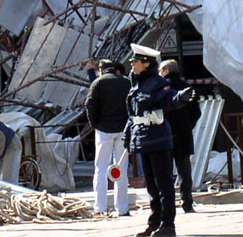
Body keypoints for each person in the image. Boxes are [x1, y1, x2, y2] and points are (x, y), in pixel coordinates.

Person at [124, 44, 195, 237]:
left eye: (135, 61)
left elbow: (169, 99)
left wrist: (181, 97)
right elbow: (134, 113)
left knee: (163, 183)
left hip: (157, 139)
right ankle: (154, 222)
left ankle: (168, 225)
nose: (132, 64)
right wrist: (128, 134)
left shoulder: (156, 82)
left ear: (146, 63)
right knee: (151, 185)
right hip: (143, 139)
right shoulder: (137, 83)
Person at [85, 59, 131, 216]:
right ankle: (123, 208)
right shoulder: (126, 82)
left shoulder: (98, 83)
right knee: (121, 169)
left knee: (101, 169)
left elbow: (90, 104)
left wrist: (95, 124)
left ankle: (100, 208)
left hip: (104, 129)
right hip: (123, 129)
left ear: (100, 70)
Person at [159, 59, 201, 213]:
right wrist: (188, 125)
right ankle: (187, 203)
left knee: (165, 170)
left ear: (166, 71)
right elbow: (197, 112)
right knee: (184, 169)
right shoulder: (187, 87)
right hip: (183, 133)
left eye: (160, 70)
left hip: (164, 134)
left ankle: (167, 204)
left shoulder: (160, 87)